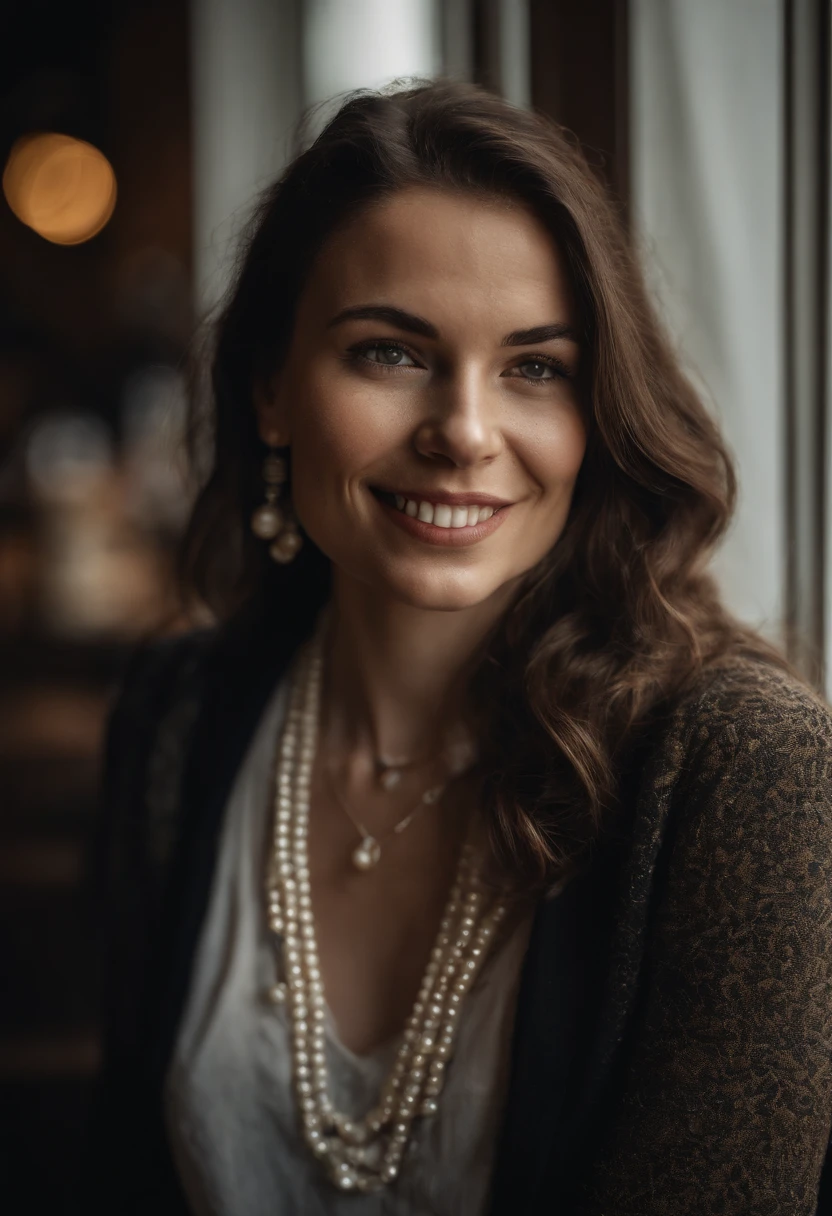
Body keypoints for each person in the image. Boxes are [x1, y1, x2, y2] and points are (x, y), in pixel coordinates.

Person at [85, 80, 832, 1215]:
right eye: (391, 353)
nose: (465, 433)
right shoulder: (175, 718)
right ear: (272, 388)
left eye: (535, 367)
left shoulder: (751, 775)